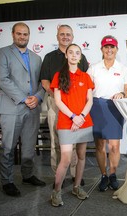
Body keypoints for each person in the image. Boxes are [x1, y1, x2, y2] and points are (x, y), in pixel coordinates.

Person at [0, 22, 46, 197]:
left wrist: (37, 97)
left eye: (25, 34)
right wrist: (25, 99)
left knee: (29, 147)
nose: (22, 37)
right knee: (8, 147)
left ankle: (27, 175)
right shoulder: (2, 53)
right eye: (19, 34)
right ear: (13, 34)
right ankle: (7, 181)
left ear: (29, 36)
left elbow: (42, 82)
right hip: (11, 107)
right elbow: (3, 80)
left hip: (32, 108)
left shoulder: (36, 58)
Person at [40, 24, 89, 186]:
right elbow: (45, 80)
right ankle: (58, 177)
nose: (65, 37)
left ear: (72, 37)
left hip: (76, 106)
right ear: (57, 37)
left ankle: (76, 175)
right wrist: (56, 94)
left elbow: (85, 81)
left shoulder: (81, 58)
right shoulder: (49, 57)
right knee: (55, 140)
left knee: (75, 141)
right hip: (55, 102)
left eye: (68, 34)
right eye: (62, 34)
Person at [87, 35, 127, 192]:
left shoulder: (123, 69)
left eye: (112, 47)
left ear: (116, 49)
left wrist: (123, 92)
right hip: (97, 106)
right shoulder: (93, 68)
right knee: (100, 145)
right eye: (106, 47)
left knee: (114, 146)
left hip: (115, 106)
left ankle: (113, 174)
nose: (109, 50)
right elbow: (86, 90)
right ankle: (103, 175)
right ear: (101, 49)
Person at [50, 43, 94, 206]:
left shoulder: (86, 77)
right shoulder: (58, 75)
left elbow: (89, 101)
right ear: (66, 56)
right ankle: (56, 191)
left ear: (80, 57)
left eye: (77, 53)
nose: (74, 55)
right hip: (66, 122)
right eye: (71, 52)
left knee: (82, 156)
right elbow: (58, 101)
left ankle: (76, 186)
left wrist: (81, 116)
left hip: (84, 121)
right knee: (66, 158)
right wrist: (73, 117)